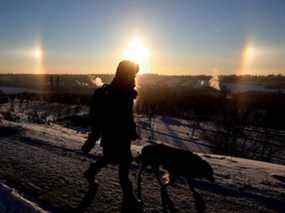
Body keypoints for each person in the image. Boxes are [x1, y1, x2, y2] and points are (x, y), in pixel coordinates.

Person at [81, 60, 140, 209]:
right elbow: (101, 117)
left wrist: (132, 129)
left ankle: (91, 172)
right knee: (124, 165)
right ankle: (129, 199)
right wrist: (92, 139)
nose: (134, 76)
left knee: (110, 158)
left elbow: (128, 115)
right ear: (125, 73)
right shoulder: (114, 92)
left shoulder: (125, 90)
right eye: (132, 73)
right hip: (114, 135)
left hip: (122, 135)